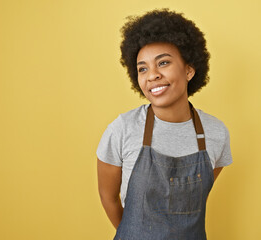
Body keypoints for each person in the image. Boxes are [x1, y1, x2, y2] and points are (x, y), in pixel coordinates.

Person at [96, 8, 233, 240]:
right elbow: (108, 197)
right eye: (143, 68)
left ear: (189, 70)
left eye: (164, 63)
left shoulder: (216, 132)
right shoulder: (122, 129)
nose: (152, 75)